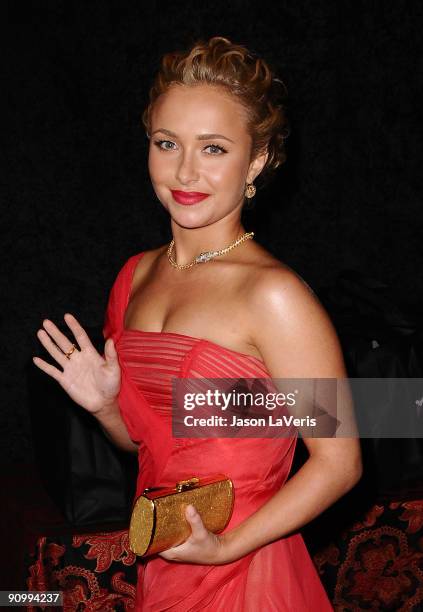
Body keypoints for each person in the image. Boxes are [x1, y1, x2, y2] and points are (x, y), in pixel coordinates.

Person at [34, 36, 362, 611]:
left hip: (244, 571)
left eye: (213, 149)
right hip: (165, 561)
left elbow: (339, 463)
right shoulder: (134, 277)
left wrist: (226, 546)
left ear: (256, 159)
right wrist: (108, 406)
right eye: (167, 144)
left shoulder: (275, 296)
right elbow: (149, 447)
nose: (185, 171)